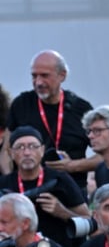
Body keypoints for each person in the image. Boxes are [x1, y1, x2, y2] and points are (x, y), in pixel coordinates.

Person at [6, 50, 99, 193]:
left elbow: (106, 155)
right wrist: (9, 182)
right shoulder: (21, 104)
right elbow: (6, 150)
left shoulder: (81, 109)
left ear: (62, 75)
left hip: (72, 192)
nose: (38, 82)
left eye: (44, 75)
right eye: (34, 76)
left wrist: (73, 166)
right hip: (27, 192)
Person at [0, 125, 89, 247]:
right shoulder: (4, 183)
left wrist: (62, 212)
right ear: (11, 153)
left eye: (33, 146)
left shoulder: (61, 180)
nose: (27, 152)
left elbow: (89, 221)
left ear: (42, 150)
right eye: (20, 147)